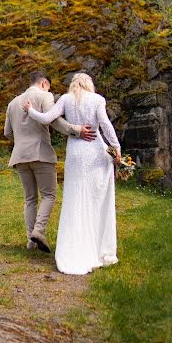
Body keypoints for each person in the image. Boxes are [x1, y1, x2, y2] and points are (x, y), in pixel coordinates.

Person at [23, 72, 121, 275]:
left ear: (73, 85)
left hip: (75, 154)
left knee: (75, 198)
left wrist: (30, 110)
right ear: (89, 85)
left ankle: (75, 247)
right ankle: (98, 245)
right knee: (96, 198)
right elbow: (105, 125)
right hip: (94, 151)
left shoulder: (66, 99)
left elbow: (47, 118)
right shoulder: (97, 99)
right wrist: (116, 147)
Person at [4, 71, 96, 253]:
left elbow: (7, 132)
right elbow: (53, 120)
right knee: (49, 195)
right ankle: (38, 231)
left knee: (30, 199)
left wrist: (22, 138)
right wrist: (77, 130)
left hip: (20, 156)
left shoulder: (13, 103)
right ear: (44, 83)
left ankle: (30, 241)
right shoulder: (44, 96)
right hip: (40, 153)